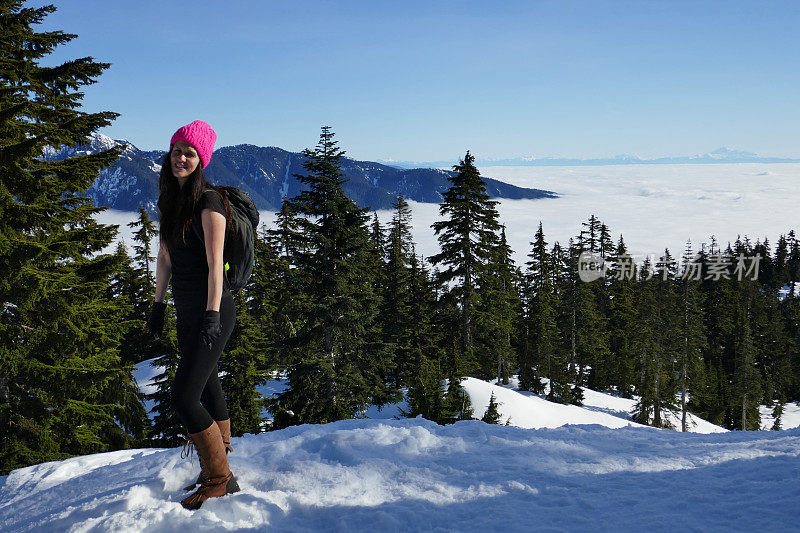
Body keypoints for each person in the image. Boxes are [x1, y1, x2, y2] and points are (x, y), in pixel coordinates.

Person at [145, 119, 240, 510]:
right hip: (186, 311)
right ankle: (219, 467)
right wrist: (157, 305)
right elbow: (165, 257)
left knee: (183, 397)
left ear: (202, 159)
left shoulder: (209, 201)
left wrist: (212, 316)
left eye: (189, 152)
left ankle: (219, 477)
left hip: (212, 311)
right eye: (176, 150)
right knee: (206, 386)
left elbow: (216, 265)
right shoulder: (171, 200)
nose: (181, 158)